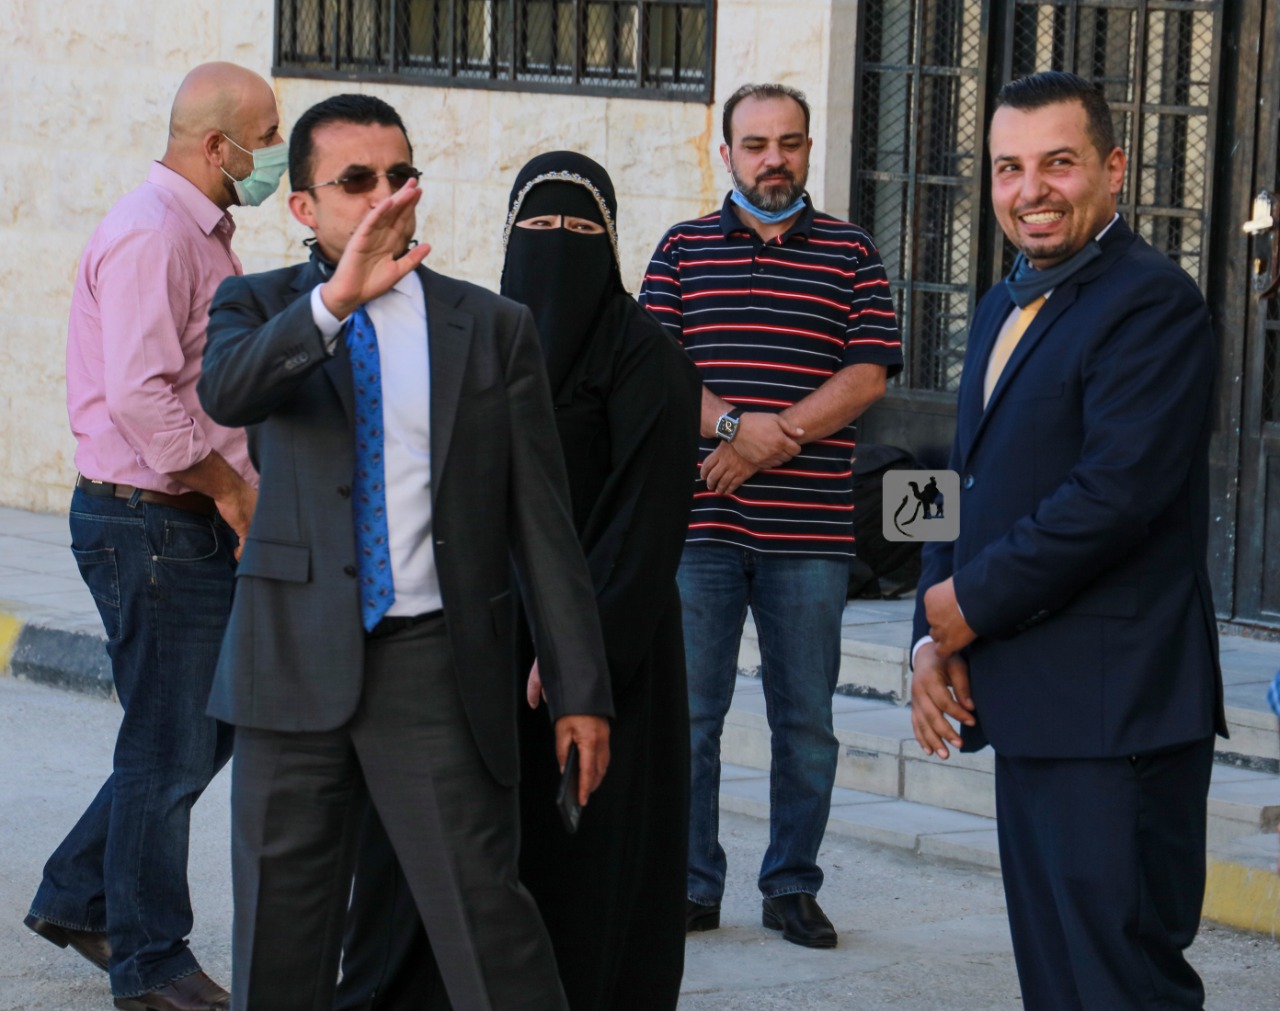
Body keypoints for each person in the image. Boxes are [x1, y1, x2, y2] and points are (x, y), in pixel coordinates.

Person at [197, 94, 613, 1011]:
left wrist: (580, 684)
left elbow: (542, 521)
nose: (385, 196)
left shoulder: (490, 326)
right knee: (279, 940)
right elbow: (227, 392)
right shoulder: (258, 305)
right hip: (289, 662)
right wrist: (335, 302)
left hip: (433, 662)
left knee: (487, 925)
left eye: (400, 175)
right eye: (356, 180)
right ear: (304, 205)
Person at [335, 152, 701, 1011]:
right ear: (508, 238)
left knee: (580, 854)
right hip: (475, 634)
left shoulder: (650, 360)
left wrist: (580, 655)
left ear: (611, 242)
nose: (557, 244)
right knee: (448, 847)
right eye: (538, 227)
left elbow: (644, 525)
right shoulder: (476, 343)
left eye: (580, 229)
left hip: (604, 648)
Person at [910, 71, 1227, 1010]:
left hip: (1117, 714)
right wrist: (926, 628)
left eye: (1058, 162)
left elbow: (1112, 496)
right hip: (1023, 704)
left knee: (1121, 985)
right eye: (1009, 167)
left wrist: (965, 606)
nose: (1031, 189)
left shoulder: (1154, 302)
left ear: (1114, 167)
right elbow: (951, 476)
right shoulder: (998, 302)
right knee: (1054, 985)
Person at [24, 62, 283, 1011]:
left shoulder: (195, 232)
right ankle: (151, 962)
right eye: (268, 135)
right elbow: (141, 397)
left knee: (192, 734)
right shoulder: (154, 233)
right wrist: (233, 492)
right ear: (218, 145)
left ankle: (77, 892)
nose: (277, 152)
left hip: (173, 521)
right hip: (153, 522)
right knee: (171, 746)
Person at [638, 82, 903, 948]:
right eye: (755, 144)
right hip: (700, 526)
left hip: (811, 532)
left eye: (789, 142)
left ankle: (791, 884)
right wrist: (731, 428)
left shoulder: (852, 252)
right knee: (691, 718)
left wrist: (768, 437)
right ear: (727, 154)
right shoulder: (681, 250)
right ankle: (689, 882)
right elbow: (655, 371)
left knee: (807, 723)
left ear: (809, 148)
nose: (773, 159)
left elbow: (868, 373)